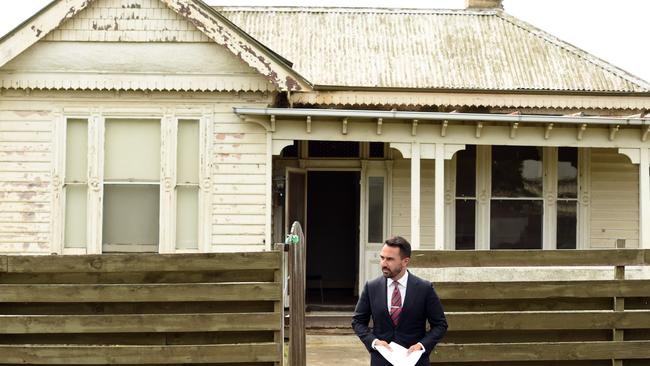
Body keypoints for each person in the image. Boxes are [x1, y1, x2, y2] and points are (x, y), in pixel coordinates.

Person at [352, 236, 447, 366]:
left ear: (405, 261)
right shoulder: (371, 287)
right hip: (381, 361)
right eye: (382, 258)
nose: (383, 263)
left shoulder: (425, 288)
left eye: (390, 259)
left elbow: (440, 325)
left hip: (415, 361)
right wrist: (374, 342)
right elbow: (357, 322)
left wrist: (421, 345)